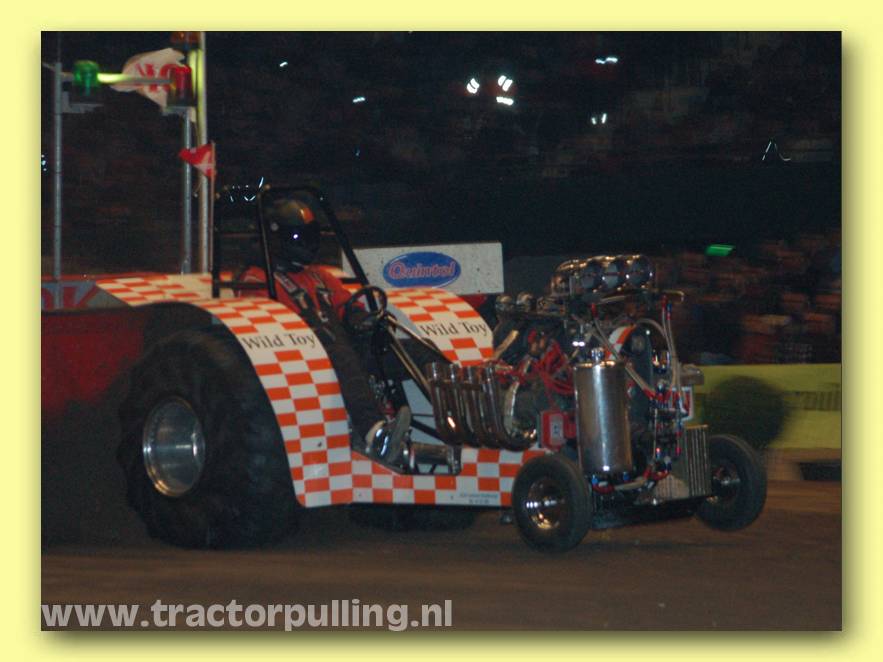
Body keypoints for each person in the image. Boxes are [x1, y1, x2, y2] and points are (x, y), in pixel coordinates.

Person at [240, 194, 410, 465]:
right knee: (340, 352)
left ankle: (461, 415)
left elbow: (347, 306)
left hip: (338, 348)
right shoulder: (257, 280)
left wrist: (363, 320)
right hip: (299, 360)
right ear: (276, 238)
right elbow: (265, 330)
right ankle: (375, 434)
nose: (306, 244)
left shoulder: (319, 276)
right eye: (298, 237)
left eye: (310, 236)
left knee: (402, 346)